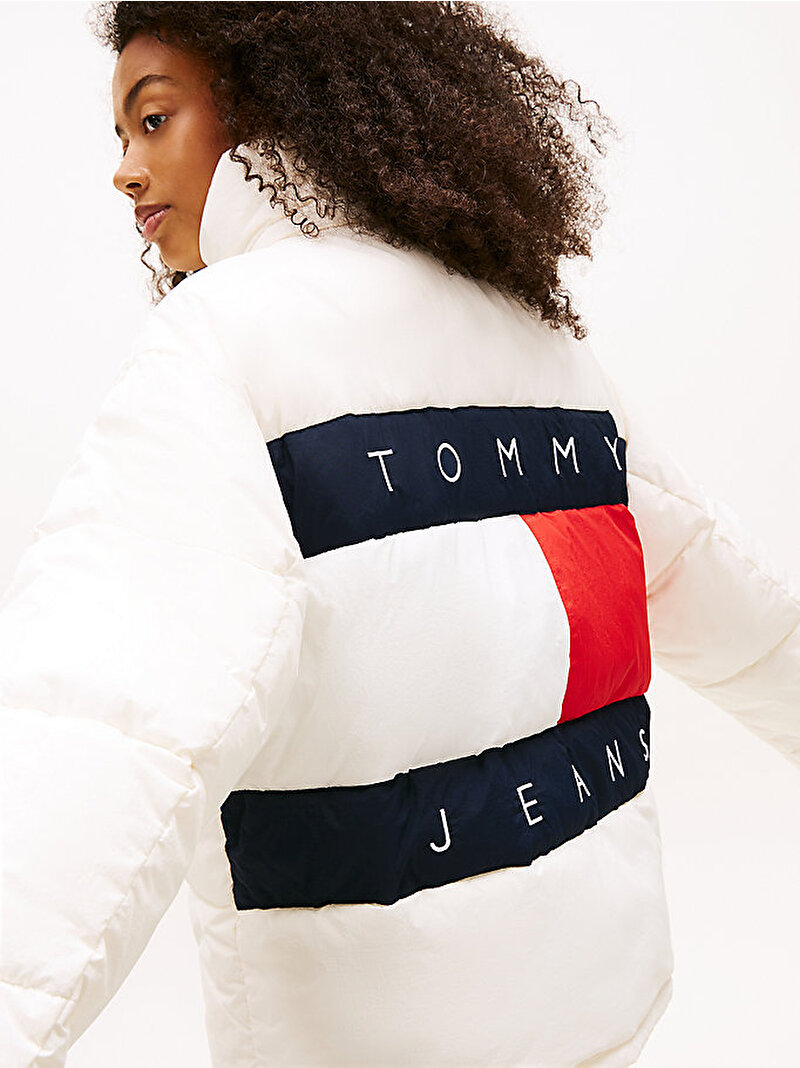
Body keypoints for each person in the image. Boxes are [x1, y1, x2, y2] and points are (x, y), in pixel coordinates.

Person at [0, 2, 797, 1066]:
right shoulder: (532, 335)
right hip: (603, 1007)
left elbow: (100, 728)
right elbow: (736, 605)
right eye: (121, 134)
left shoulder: (225, 345)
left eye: (154, 119)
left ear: (265, 102)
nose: (125, 171)